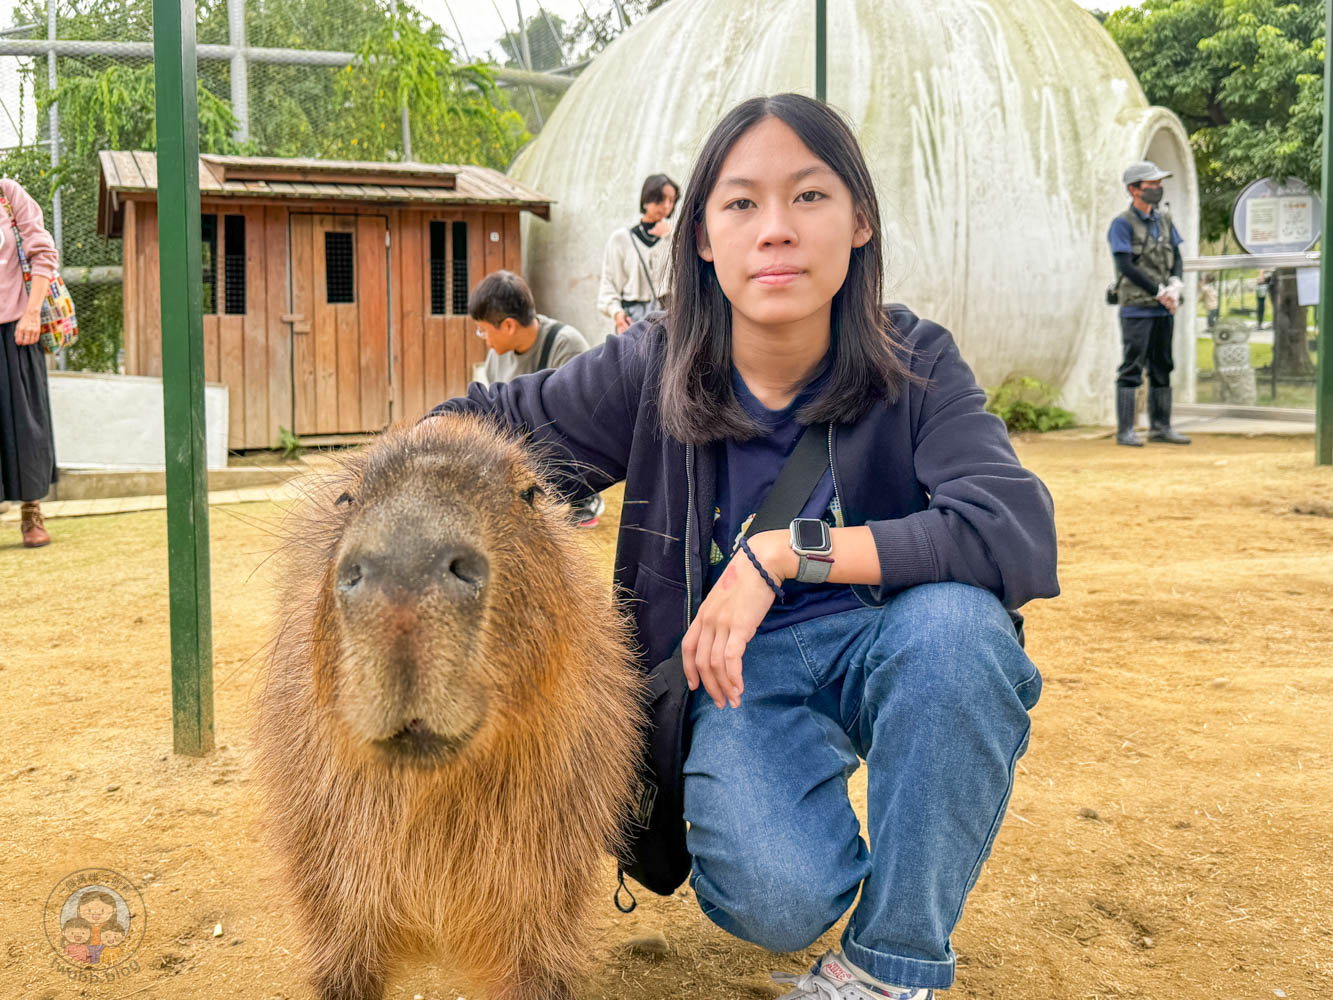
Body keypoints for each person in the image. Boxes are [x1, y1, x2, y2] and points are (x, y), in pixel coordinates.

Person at [430, 93, 1058, 1000]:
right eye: (740, 203)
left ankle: (890, 964)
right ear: (700, 238)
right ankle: (808, 808)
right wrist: (387, 491)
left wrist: (781, 557)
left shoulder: (914, 360)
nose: (776, 232)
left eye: (809, 197)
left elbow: (1014, 528)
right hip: (734, 677)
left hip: (895, 640)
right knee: (773, 894)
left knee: (961, 639)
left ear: (859, 222)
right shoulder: (651, 366)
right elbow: (487, 423)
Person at [468, 268, 603, 527]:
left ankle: (582, 497)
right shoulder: (497, 353)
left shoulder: (565, 345)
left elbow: (580, 420)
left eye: (483, 330)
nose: (483, 338)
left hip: (560, 448)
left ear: (508, 325)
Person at [1106, 161, 1191, 446]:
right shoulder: (1122, 223)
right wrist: (1158, 290)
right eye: (1150, 184)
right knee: (1132, 366)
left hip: (1164, 306)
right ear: (1134, 189)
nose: (1157, 188)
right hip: (1137, 306)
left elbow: (1176, 256)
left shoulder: (1164, 219)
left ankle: (1161, 426)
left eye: (1159, 184)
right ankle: (1125, 430)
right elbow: (1125, 266)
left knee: (1162, 364)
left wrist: (1175, 285)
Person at [0, 175, 59, 545]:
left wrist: (33, 313)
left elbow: (42, 251)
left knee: (26, 426)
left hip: (17, 328)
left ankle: (31, 511)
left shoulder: (7, 193)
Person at [598, 173, 678, 334]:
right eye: (661, 199)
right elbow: (609, 285)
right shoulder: (621, 239)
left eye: (671, 201)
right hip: (632, 320)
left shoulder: (676, 238)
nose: (666, 206)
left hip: (668, 318)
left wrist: (671, 237)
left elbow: (684, 277)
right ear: (647, 198)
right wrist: (617, 313)